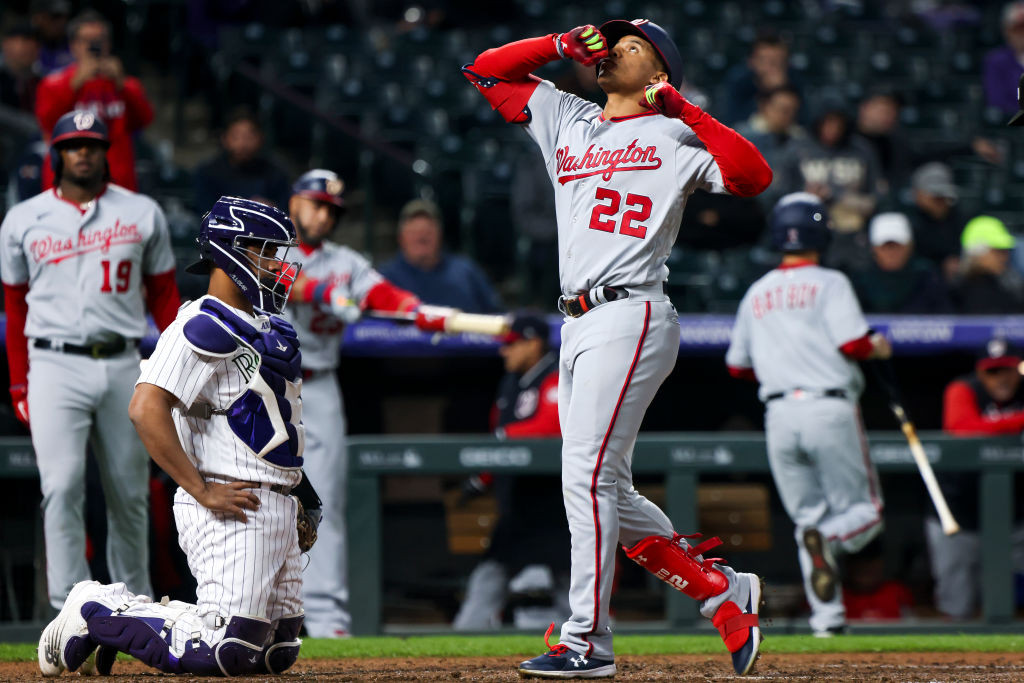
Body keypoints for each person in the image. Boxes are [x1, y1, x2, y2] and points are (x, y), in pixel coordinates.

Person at [464, 18, 772, 677]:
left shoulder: (677, 131)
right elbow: (486, 69)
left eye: (629, 45)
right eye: (609, 41)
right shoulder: (569, 117)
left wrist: (682, 106)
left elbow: (753, 177)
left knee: (586, 476)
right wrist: (555, 48)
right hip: (574, 321)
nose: (611, 49)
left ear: (659, 71)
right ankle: (721, 589)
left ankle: (588, 640)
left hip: (630, 308)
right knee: (609, 486)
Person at [37, 196, 312, 677]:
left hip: (275, 502)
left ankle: (151, 618)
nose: (276, 264)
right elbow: (145, 408)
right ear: (231, 252)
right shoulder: (201, 323)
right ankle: (95, 608)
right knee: (227, 649)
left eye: (277, 252)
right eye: (265, 250)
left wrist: (303, 499)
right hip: (228, 497)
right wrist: (200, 489)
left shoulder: (269, 326)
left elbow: (278, 425)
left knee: (275, 651)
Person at [0, 110, 180, 610]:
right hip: (53, 364)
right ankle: (69, 609)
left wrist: (178, 365)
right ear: (57, 153)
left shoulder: (142, 212)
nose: (83, 152)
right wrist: (19, 384)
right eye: (73, 144)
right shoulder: (23, 218)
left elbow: (163, 296)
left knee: (130, 493)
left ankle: (138, 608)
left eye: (92, 144)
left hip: (125, 363)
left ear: (106, 151)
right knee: (61, 488)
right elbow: (15, 308)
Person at [726, 192, 891, 637]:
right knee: (866, 510)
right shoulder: (830, 282)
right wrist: (877, 343)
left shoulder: (757, 290)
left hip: (778, 414)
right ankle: (831, 544)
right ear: (821, 234)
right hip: (828, 406)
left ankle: (827, 620)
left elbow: (737, 365)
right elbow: (854, 344)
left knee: (808, 522)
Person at [281, 169, 438, 638]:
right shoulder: (271, 248)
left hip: (322, 385)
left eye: (331, 209)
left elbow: (382, 294)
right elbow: (288, 282)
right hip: (267, 385)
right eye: (315, 204)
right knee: (263, 502)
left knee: (324, 503)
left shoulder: (346, 261)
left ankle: (327, 619)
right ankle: (263, 612)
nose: (323, 215)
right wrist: (327, 294)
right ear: (294, 204)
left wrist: (415, 309)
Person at [453, 313, 568, 631]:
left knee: (571, 583)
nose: (504, 351)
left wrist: (507, 439)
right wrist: (483, 477)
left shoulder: (557, 373)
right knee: (491, 573)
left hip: (556, 503)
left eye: (511, 344)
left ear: (534, 343)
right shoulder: (511, 382)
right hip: (518, 503)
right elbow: (498, 439)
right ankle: (462, 641)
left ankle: (593, 641)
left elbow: (554, 425)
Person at [933, 338, 1024, 619]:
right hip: (957, 509)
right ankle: (950, 662)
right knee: (956, 602)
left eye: (1007, 370)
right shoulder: (963, 388)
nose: (1001, 379)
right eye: (992, 372)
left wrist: (998, 426)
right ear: (980, 372)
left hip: (1015, 513)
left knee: (1011, 601)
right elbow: (962, 429)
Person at [35, 9, 153, 191]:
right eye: (86, 40)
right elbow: (48, 123)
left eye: (100, 39)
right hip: (68, 184)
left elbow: (143, 120)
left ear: (109, 43)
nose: (94, 45)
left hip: (117, 183)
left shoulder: (126, 85)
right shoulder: (53, 84)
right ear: (73, 45)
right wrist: (74, 85)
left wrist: (122, 85)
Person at [777, 103, 882, 273]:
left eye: (838, 123)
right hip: (809, 232)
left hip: (854, 234)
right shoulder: (798, 148)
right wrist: (806, 198)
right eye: (828, 122)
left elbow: (877, 197)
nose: (833, 129)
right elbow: (781, 195)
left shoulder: (861, 149)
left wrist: (839, 195)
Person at [379, 199, 503, 313]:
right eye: (414, 232)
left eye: (428, 232)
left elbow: (497, 314)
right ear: (401, 239)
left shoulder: (466, 272)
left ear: (440, 236)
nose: (421, 237)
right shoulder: (385, 280)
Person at [850, 212, 952, 314]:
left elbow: (946, 318)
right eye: (885, 247)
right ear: (874, 249)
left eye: (897, 246)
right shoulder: (861, 280)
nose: (891, 253)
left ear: (910, 246)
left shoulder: (928, 277)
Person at [192, 108, 291, 211]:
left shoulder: (276, 173)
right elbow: (204, 213)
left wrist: (271, 209)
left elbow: (286, 212)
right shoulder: (207, 173)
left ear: (261, 138)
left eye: (249, 137)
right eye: (236, 137)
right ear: (224, 139)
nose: (242, 144)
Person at [734, 84, 805, 210]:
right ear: (765, 107)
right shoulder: (740, 138)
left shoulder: (799, 139)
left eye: (793, 111)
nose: (789, 116)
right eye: (784, 110)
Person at [721, 31, 802, 127]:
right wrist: (766, 92)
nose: (772, 67)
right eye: (765, 61)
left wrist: (782, 89)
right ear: (751, 62)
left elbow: (803, 122)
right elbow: (731, 123)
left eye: (778, 61)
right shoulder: (739, 82)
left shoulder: (795, 81)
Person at [950, 215, 1024, 314]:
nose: (1004, 257)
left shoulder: (1009, 286)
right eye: (998, 251)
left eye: (1006, 251)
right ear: (976, 252)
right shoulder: (953, 293)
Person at [907, 163, 966, 282]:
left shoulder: (958, 217)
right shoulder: (908, 221)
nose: (940, 201)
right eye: (935, 196)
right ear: (918, 194)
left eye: (943, 196)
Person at [984, 2, 1024, 115]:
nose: (1022, 35)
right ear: (1007, 31)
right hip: (1010, 127)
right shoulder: (996, 61)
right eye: (1017, 29)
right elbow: (997, 101)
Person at [0, 21, 41, 114]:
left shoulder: (42, 81)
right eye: (25, 40)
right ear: (6, 43)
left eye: (36, 42)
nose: (31, 46)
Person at [29, 0, 72, 75]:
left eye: (63, 17)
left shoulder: (75, 44)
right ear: (37, 18)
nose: (61, 22)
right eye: (54, 17)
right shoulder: (28, 45)